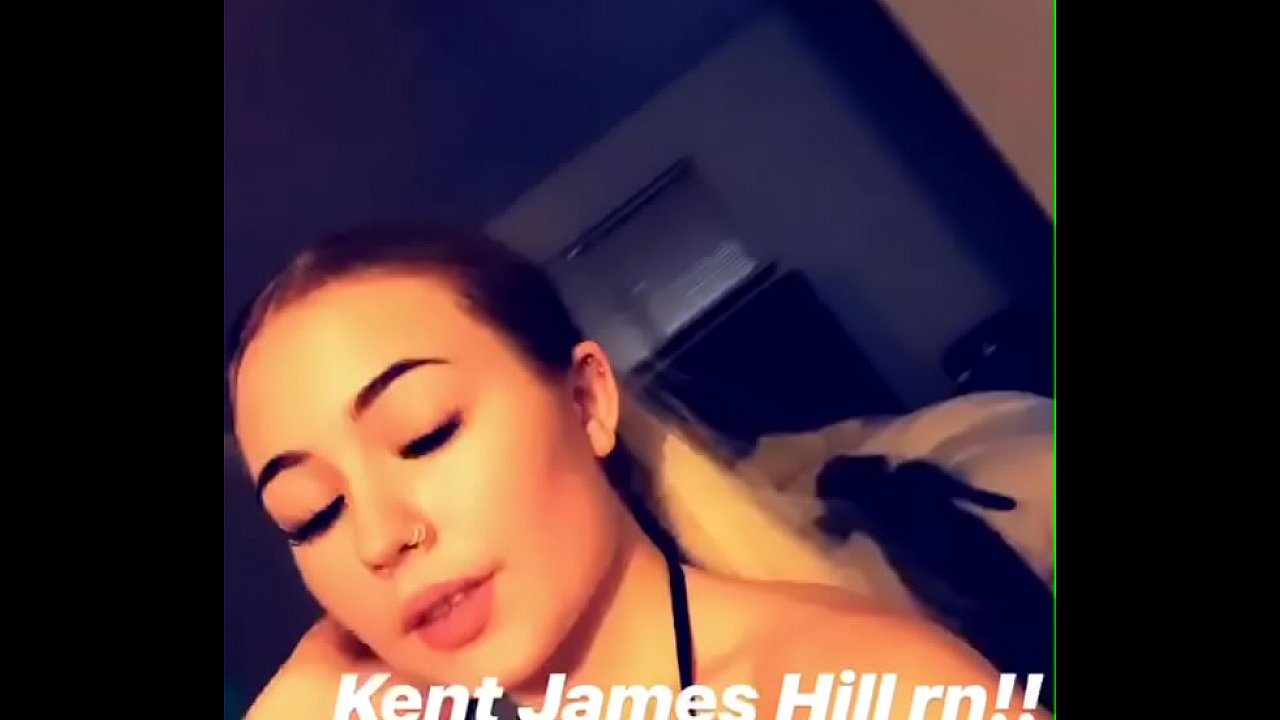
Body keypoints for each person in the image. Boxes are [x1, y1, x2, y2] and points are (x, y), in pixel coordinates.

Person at [227, 225, 1050, 719]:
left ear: (587, 400)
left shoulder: (866, 692)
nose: (378, 538)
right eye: (313, 514)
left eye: (426, 433)